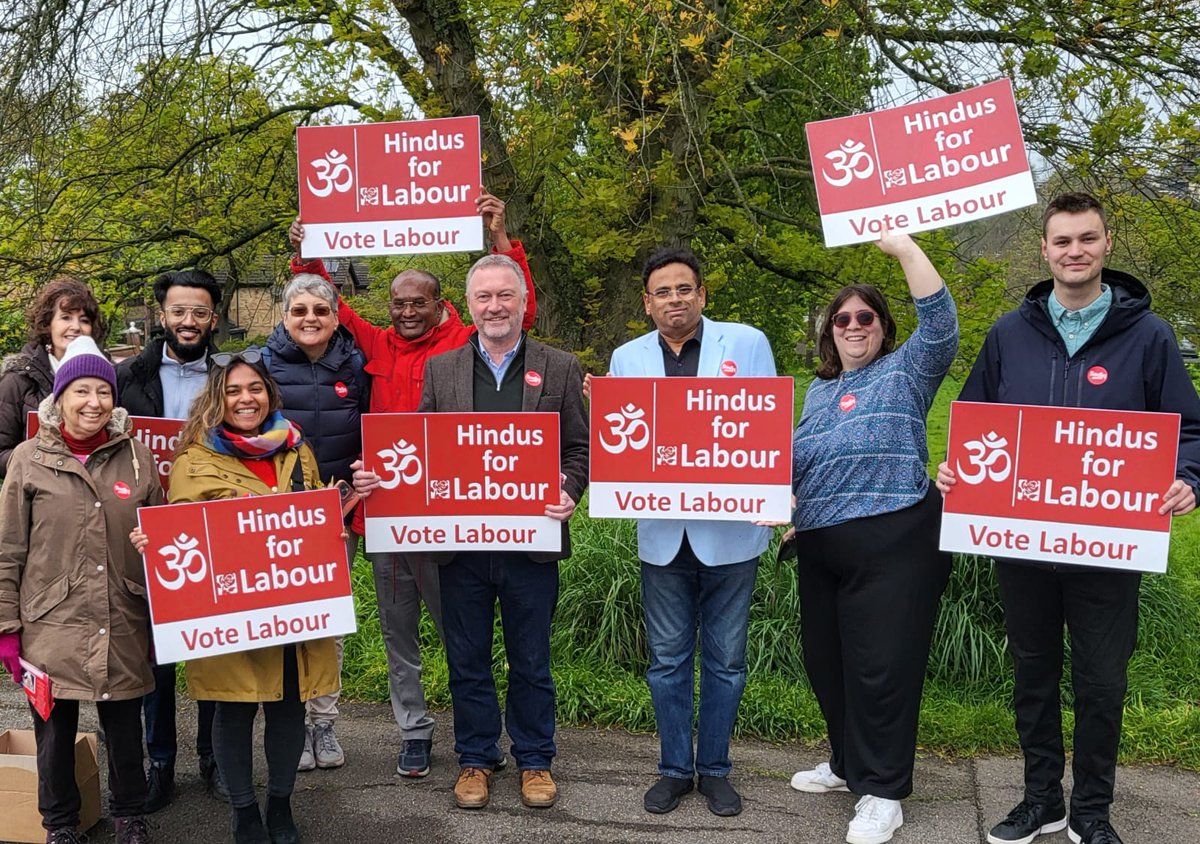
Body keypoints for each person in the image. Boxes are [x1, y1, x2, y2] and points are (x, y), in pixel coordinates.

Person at [936, 193, 1200, 844]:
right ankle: (1040, 800)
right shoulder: (1007, 333)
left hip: (1109, 547)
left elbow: (1190, 431)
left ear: (1107, 245)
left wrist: (1189, 479)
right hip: (1024, 546)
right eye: (1062, 241)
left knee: (1102, 682)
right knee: (1032, 673)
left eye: (1087, 239)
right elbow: (975, 425)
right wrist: (956, 473)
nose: (1074, 251)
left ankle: (1091, 811)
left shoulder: (1150, 336)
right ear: (1044, 251)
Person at [288, 190, 538, 779]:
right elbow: (329, 306)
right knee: (400, 636)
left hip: (451, 514)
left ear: (440, 305)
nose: (406, 311)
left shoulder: (459, 344)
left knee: (462, 633)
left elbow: (519, 316)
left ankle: (475, 739)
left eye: (417, 302)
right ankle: (415, 732)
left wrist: (500, 240)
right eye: (398, 303)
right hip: (384, 516)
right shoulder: (373, 343)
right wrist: (307, 254)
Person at [353, 253, 587, 811]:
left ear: (523, 302)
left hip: (531, 545)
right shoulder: (445, 368)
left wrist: (570, 488)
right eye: (484, 297)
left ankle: (535, 760)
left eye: (505, 295)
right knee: (467, 658)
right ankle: (476, 758)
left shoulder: (559, 366)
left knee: (531, 659)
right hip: (459, 546)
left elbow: (579, 447)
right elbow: (427, 450)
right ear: (470, 305)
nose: (495, 306)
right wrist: (378, 475)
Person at [788, 232, 958, 844]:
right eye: (842, 318)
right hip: (820, 547)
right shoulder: (818, 392)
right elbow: (796, 468)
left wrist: (905, 249)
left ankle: (883, 791)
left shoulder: (907, 372)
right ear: (829, 330)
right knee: (827, 665)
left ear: (884, 326)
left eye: (866, 317)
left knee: (881, 668)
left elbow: (940, 327)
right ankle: (845, 763)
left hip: (897, 541)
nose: (853, 325)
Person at [133, 350, 340, 844]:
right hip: (231, 612)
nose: (246, 399)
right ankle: (245, 813)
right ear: (216, 399)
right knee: (235, 708)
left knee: (290, 704)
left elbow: (315, 519)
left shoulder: (296, 449)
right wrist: (155, 541)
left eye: (255, 389)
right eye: (233, 391)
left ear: (269, 393)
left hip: (292, 608)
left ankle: (281, 806)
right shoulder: (194, 461)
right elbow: (182, 532)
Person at [606, 248, 777, 818]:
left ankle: (717, 770)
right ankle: (676, 769)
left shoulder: (747, 343)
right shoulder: (626, 358)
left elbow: (767, 433)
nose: (674, 299)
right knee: (667, 661)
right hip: (662, 535)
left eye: (684, 289)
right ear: (647, 303)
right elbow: (620, 449)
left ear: (702, 295)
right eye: (662, 292)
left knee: (726, 662)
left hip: (731, 533)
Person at [0, 336, 162, 844]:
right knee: (53, 733)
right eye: (82, 391)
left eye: (104, 392)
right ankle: (61, 823)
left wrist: (154, 541)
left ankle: (129, 814)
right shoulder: (28, 459)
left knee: (124, 727)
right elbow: (7, 549)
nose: (94, 402)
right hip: (50, 623)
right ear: (61, 398)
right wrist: (7, 627)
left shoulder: (137, 457)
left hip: (123, 614)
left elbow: (168, 535)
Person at [116, 269, 225, 811]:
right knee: (157, 658)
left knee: (210, 649)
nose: (189, 322)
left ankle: (212, 757)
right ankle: (160, 761)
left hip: (211, 526)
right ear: (162, 316)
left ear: (214, 318)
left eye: (199, 313)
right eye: (179, 312)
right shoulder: (126, 376)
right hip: (146, 531)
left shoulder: (231, 376)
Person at [261, 274, 370, 771]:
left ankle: (323, 721)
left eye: (320, 311)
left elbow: (377, 430)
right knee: (282, 622)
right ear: (285, 316)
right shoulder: (259, 366)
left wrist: (369, 471)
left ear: (335, 316)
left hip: (336, 515)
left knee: (329, 623)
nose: (310, 319)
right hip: (273, 518)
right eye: (300, 310)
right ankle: (289, 725)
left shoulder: (357, 364)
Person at [0, 277, 106, 475]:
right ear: (48, 324)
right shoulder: (17, 381)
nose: (76, 327)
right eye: (66, 317)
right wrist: (38, 465)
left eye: (84, 320)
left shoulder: (106, 379)